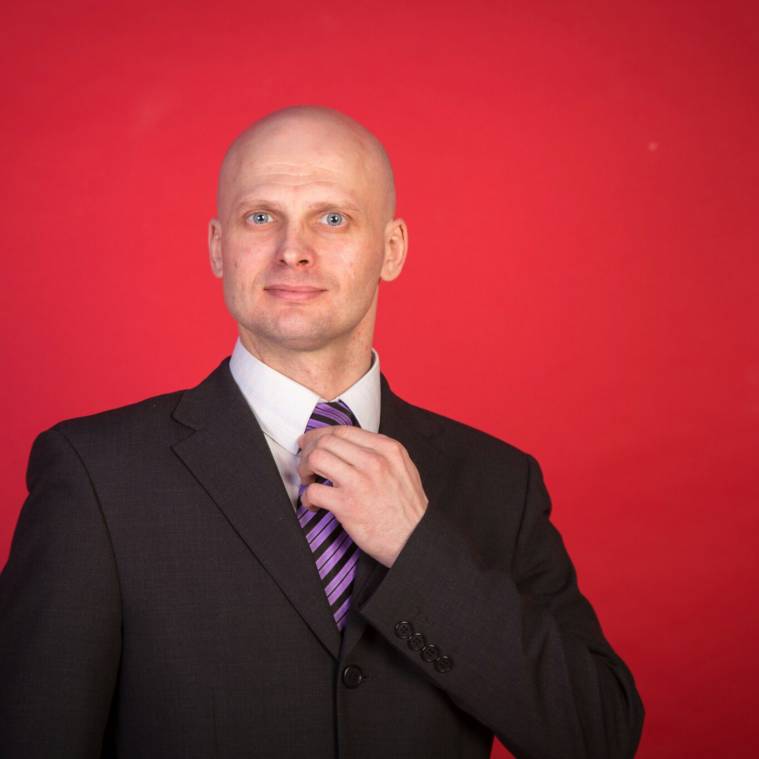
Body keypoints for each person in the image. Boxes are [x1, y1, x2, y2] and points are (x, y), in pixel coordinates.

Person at [0, 105, 644, 758]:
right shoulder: (96, 475)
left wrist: (418, 549)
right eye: (261, 217)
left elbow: (598, 738)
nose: (293, 249)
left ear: (391, 249)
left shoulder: (500, 483)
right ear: (218, 247)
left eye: (332, 218)